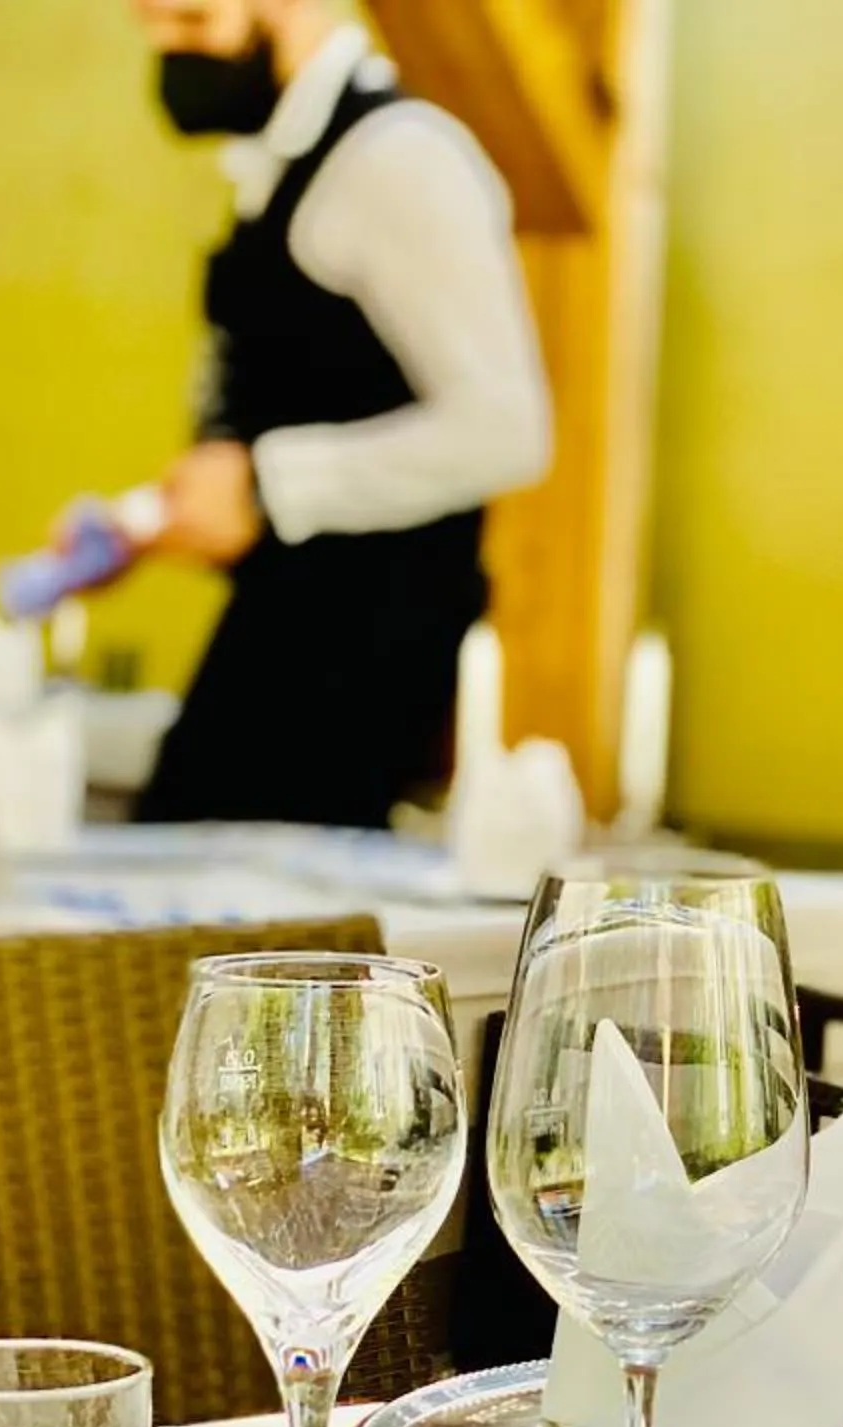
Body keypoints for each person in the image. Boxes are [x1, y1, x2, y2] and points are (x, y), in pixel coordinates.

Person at [125, 0, 550, 827]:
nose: (165, 50)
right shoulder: (276, 164)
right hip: (279, 616)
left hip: (364, 645)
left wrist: (267, 485)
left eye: (190, 21)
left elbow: (507, 430)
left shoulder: (399, 161)